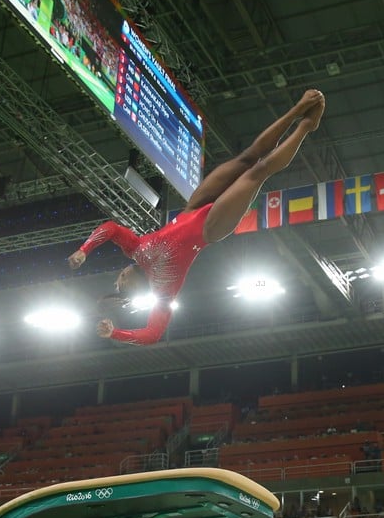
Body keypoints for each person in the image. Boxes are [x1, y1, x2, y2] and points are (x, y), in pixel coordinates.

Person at [70, 90, 327, 345]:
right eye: (120, 283)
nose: (119, 277)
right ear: (133, 286)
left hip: (193, 208)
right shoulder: (164, 292)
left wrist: (84, 250)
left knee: (248, 157)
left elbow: (111, 228)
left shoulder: (135, 250)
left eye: (117, 280)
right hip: (210, 229)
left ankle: (297, 111)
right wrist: (115, 333)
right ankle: (306, 126)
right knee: (258, 172)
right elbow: (152, 335)